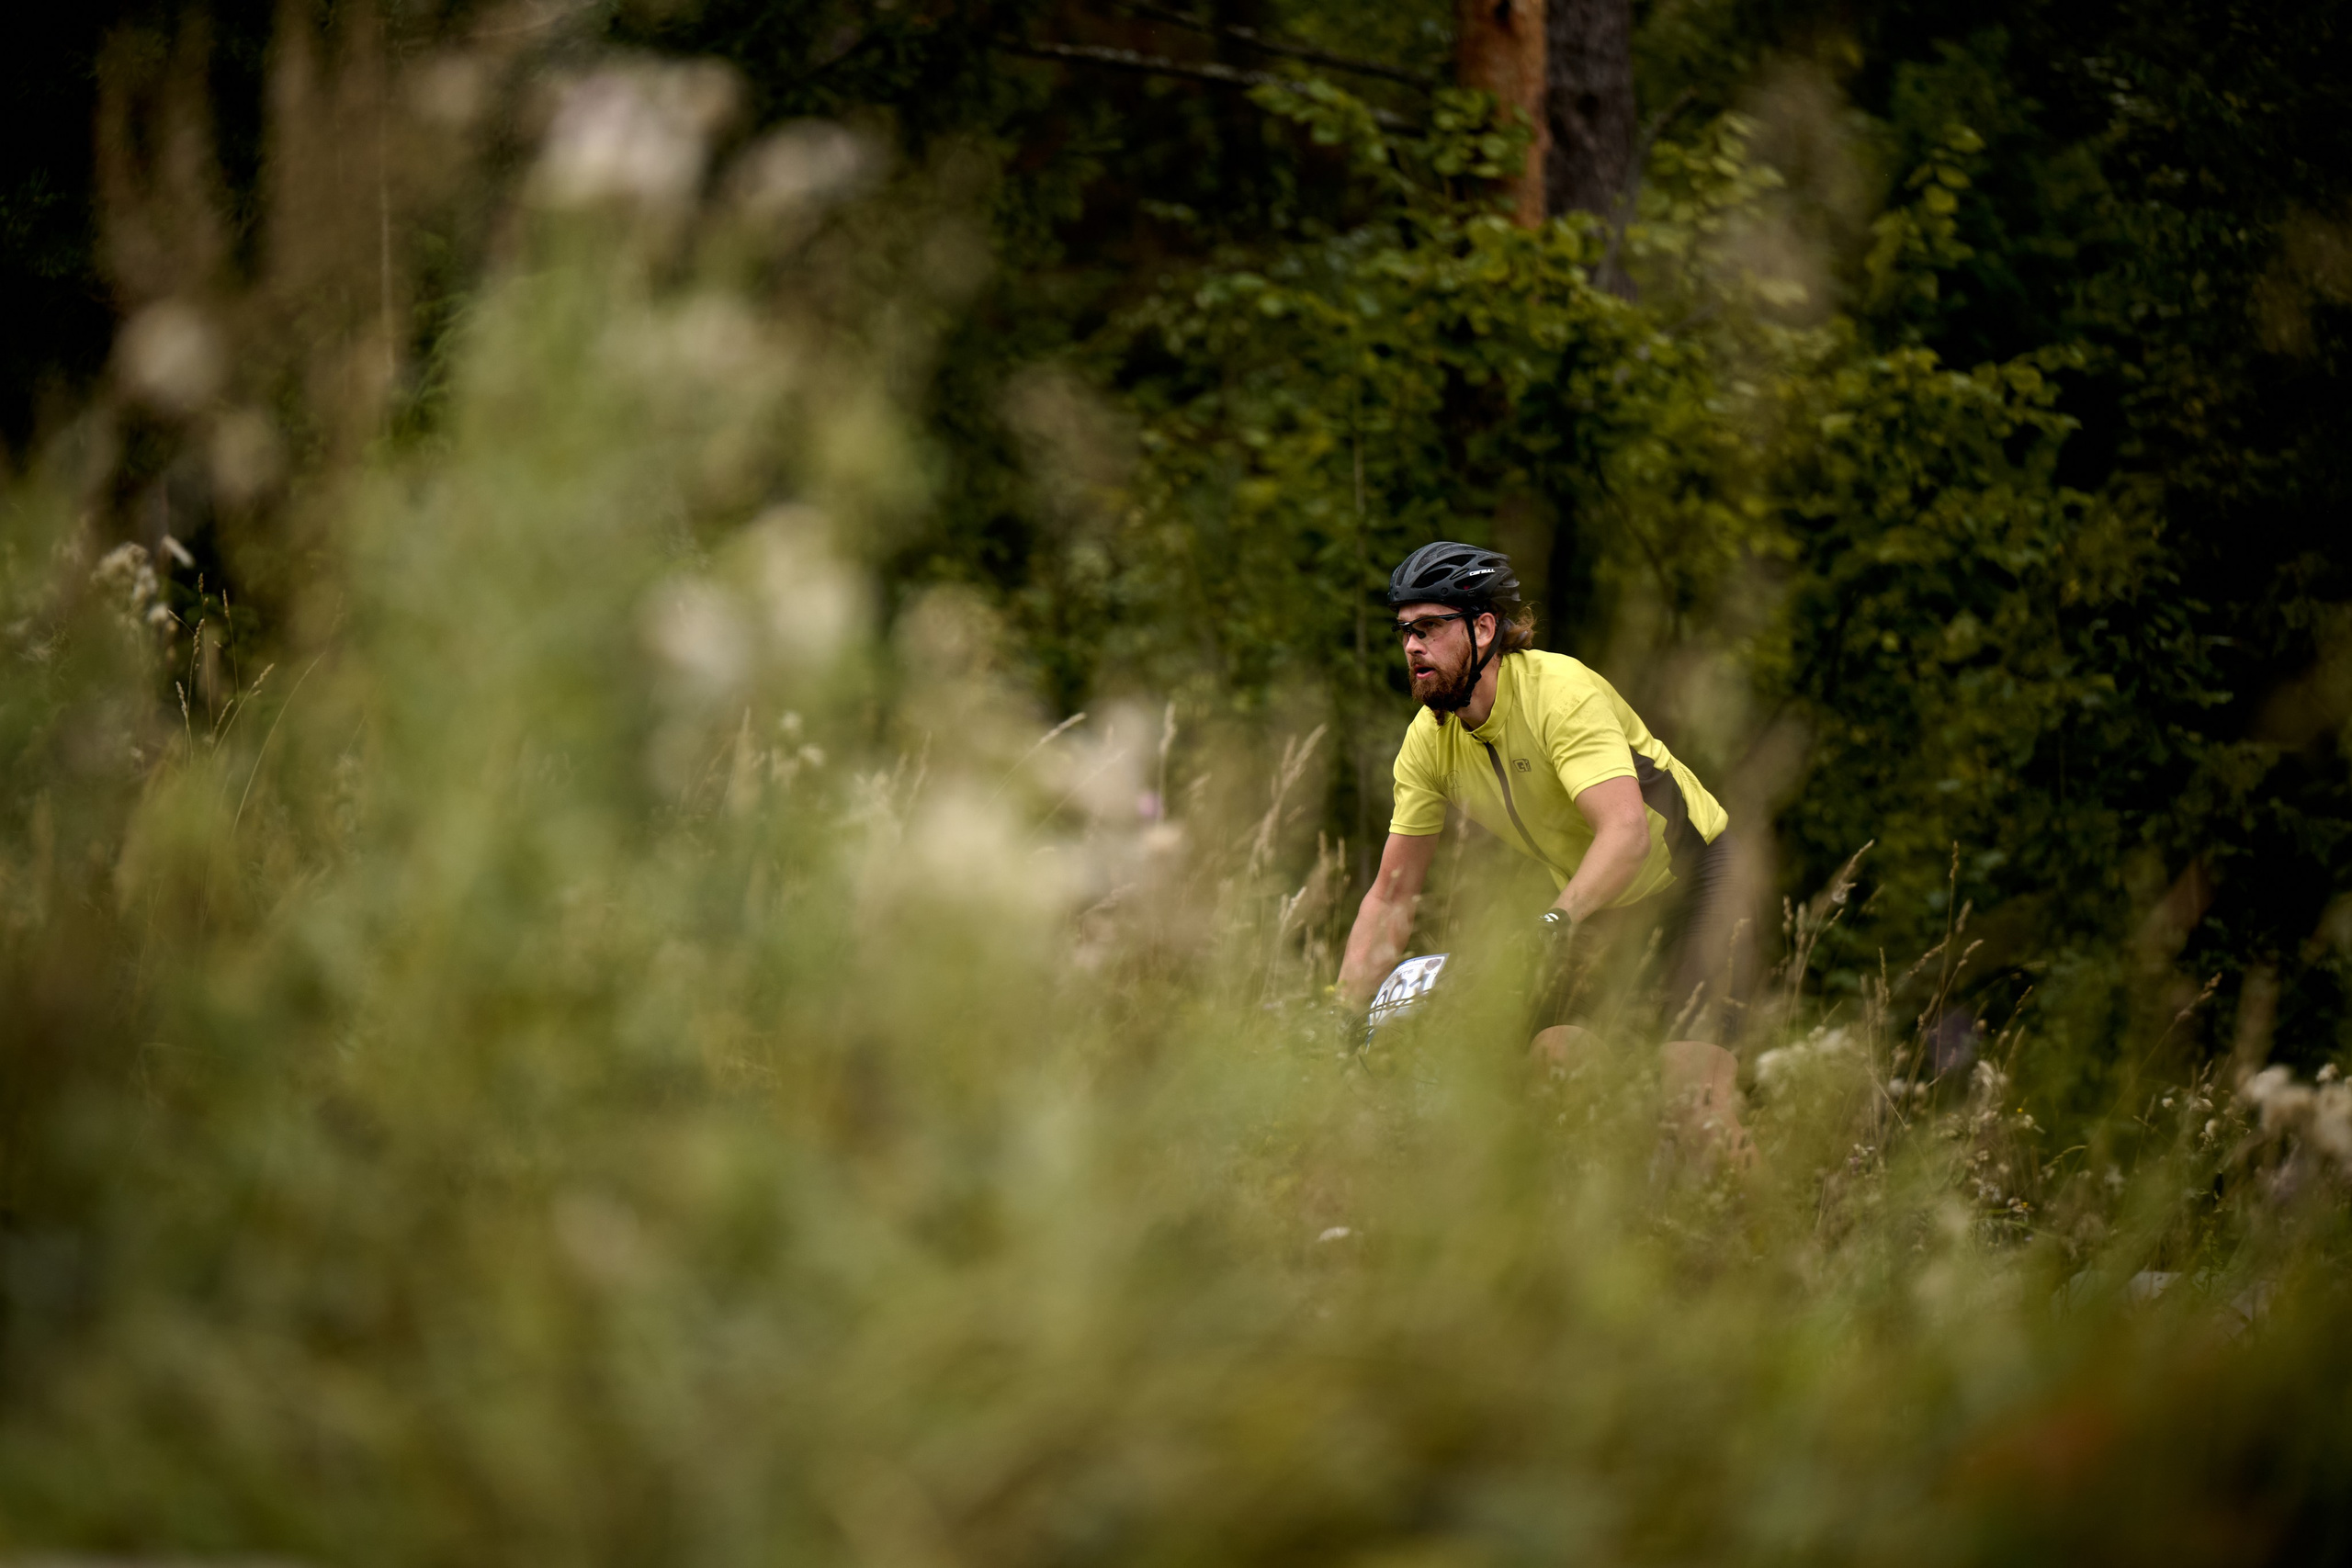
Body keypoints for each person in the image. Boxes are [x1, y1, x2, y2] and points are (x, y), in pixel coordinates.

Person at [1333, 541, 1754, 1169]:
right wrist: (1337, 1021)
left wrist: (1554, 923)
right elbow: (1393, 895)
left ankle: (1791, 1255)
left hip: (1692, 883)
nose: (1412, 646)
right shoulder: (1429, 742)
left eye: (1428, 628)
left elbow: (1626, 834)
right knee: (1558, 1068)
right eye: (1404, 632)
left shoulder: (1560, 693)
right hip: (1598, 904)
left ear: (1482, 628)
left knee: (1695, 1102)